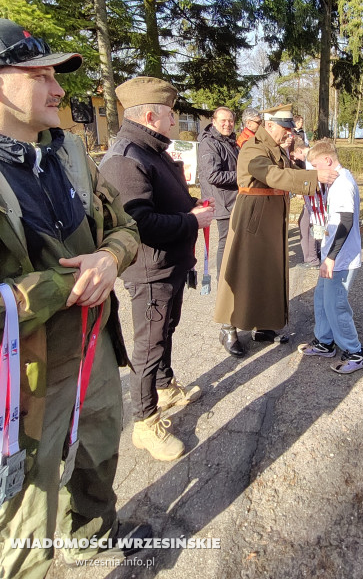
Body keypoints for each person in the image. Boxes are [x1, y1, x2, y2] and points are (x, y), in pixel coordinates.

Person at [0, 18, 145, 577]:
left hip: (94, 353)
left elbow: (124, 226)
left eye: (55, 76)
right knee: (22, 522)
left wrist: (110, 259)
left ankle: (90, 537)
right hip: (23, 383)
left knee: (99, 451)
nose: (58, 89)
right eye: (39, 76)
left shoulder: (71, 155)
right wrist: (66, 287)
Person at [100, 78, 214, 462]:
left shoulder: (151, 149)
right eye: (170, 113)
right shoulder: (126, 157)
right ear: (151, 115)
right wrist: (192, 222)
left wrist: (192, 206)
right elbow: (139, 224)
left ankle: (164, 387)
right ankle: (144, 423)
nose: (174, 118)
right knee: (149, 346)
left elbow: (165, 201)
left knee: (165, 330)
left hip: (170, 265)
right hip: (150, 271)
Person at [214, 105, 338, 357]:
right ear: (269, 126)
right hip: (254, 220)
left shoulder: (273, 148)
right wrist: (314, 177)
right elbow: (271, 175)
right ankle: (228, 328)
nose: (289, 133)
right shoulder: (254, 148)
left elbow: (283, 172)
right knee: (243, 273)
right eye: (285, 128)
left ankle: (262, 326)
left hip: (269, 219)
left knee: (266, 274)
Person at [298, 140, 363, 373]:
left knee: (336, 305)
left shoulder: (342, 184)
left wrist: (331, 257)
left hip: (341, 259)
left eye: (315, 166)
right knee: (321, 299)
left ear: (327, 161)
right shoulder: (336, 180)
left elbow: (346, 222)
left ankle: (355, 353)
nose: (314, 172)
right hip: (333, 255)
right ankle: (324, 342)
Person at [198, 107, 239, 280]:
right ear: (214, 121)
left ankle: (232, 276)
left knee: (234, 241)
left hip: (233, 199)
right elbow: (213, 175)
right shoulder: (210, 143)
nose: (227, 124)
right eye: (223, 120)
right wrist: (241, 177)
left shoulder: (228, 141)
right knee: (225, 241)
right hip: (223, 201)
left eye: (230, 120)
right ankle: (223, 280)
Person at [292, 137, 321, 268]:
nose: (296, 159)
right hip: (314, 200)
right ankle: (315, 255)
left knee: (307, 227)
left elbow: (314, 181)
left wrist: (301, 191)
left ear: (299, 150)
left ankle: (311, 259)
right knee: (308, 225)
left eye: (295, 155)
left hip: (313, 201)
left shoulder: (309, 160)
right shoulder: (314, 154)